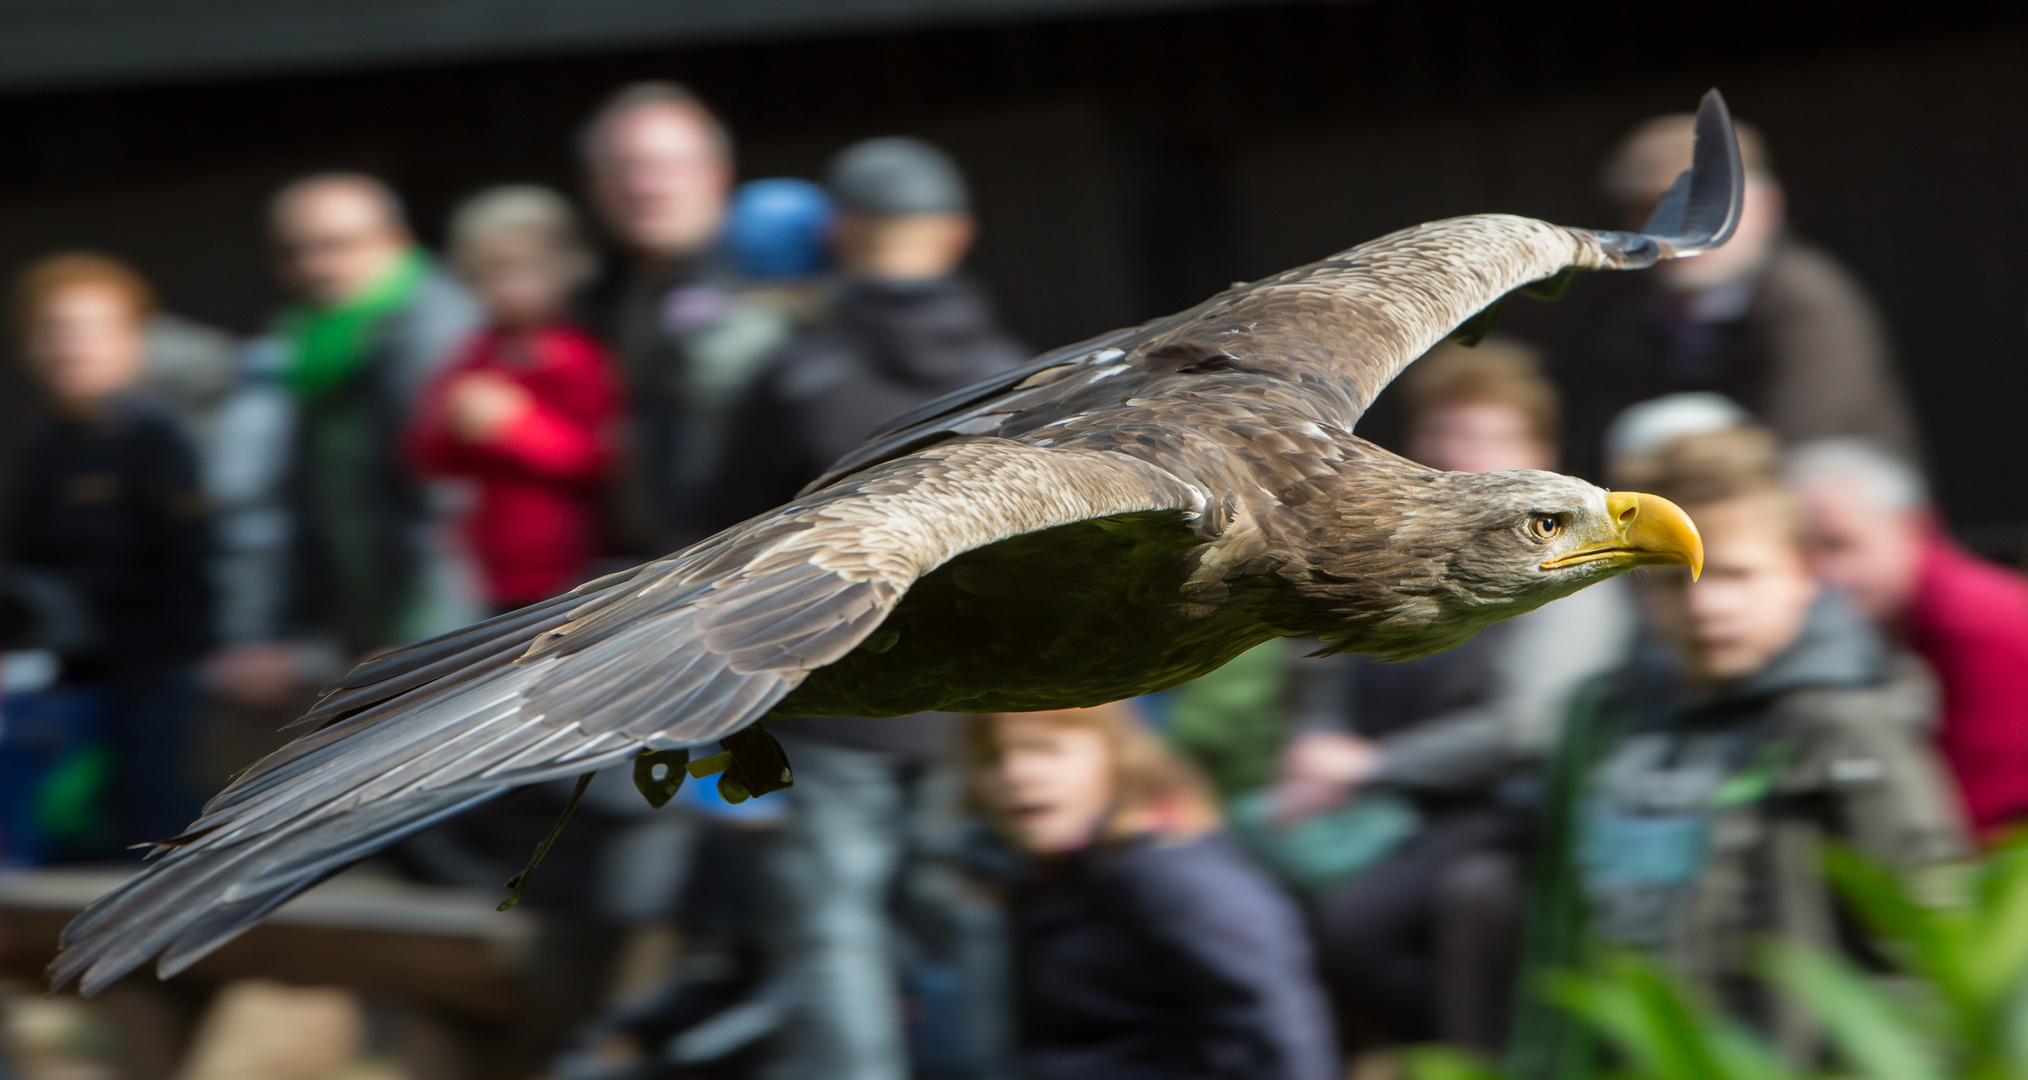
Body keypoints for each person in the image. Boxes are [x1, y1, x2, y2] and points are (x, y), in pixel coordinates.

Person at [709, 136, 1026, 1080]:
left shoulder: (798, 372)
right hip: (984, 697)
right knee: (960, 908)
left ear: (840, 234)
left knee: (835, 925)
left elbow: (715, 529)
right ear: (958, 234)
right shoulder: (1021, 374)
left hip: (841, 685)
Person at [1509, 426, 1967, 1079]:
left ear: (1804, 575)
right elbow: (1553, 929)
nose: (1706, 605)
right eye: (1672, 582)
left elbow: (1925, 944)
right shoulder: (1598, 720)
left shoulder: (1847, 729)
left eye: (1737, 574)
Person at [1270, 339, 1632, 1053]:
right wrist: (1313, 754)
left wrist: (1371, 767)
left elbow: (1524, 729)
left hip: (1492, 810)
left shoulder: (1562, 557)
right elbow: (1329, 667)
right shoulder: (1388, 543)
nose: (1463, 454)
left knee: (1355, 925)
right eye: (1445, 434)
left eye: (1488, 436)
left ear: (1539, 450)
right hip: (1383, 805)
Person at [209, 173, 483, 705]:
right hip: (369, 634)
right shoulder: (316, 344)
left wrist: (423, 645)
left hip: (453, 639)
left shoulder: (435, 335)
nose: (314, 266)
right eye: (294, 251)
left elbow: (454, 509)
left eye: (336, 245)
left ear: (396, 239)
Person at [967, 702, 1339, 1080]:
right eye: (992, 757)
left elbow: (1276, 1016)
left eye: (1045, 749)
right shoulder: (1039, 876)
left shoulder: (1169, 872)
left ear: (1118, 756)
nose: (1015, 774)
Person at [1539, 112, 1918, 479]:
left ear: (1767, 207)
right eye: (1649, 211)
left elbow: (1800, 448)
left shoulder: (1803, 301)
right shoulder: (1642, 324)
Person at [0, 254, 213, 857]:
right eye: (54, 330)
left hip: (164, 678)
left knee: (150, 842)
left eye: (91, 329)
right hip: (66, 683)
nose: (71, 347)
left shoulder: (168, 432)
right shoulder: (43, 442)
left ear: (135, 340)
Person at [577, 82, 793, 554]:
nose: (643, 186)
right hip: (625, 582)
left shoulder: (788, 292)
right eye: (622, 167)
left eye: (666, 166)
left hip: (760, 575)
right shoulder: (584, 304)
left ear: (717, 173)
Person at [1787, 438, 2028, 839]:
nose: (1826, 573)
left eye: (1840, 544)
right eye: (1805, 554)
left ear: (1913, 526)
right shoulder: (1901, 620)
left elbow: (1985, 807)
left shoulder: (1976, 624)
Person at [407, 186, 621, 614]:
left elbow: (600, 458)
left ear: (567, 267)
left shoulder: (578, 352)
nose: (510, 286)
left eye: (526, 268)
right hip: (490, 568)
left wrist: (517, 425)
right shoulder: (475, 353)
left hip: (575, 568)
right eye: (492, 271)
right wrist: (454, 423)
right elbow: (426, 456)